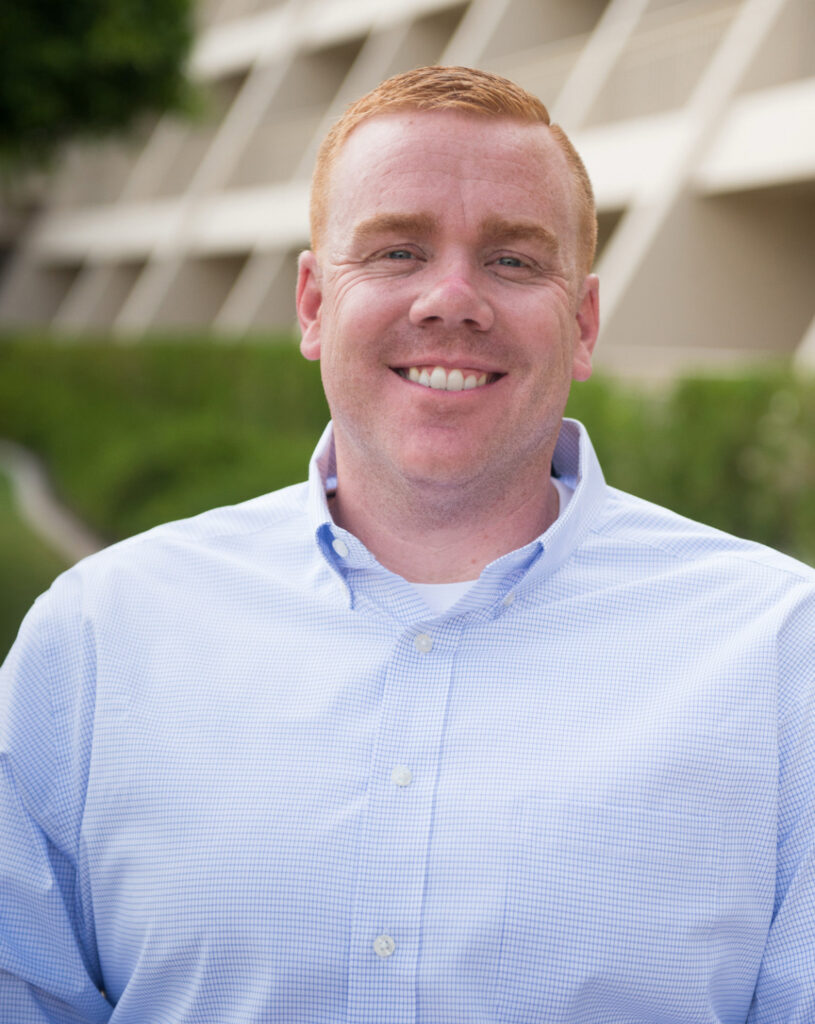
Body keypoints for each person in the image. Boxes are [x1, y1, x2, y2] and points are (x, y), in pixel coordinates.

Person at [1, 65, 813, 1024]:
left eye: (513, 260)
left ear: (583, 323)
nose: (450, 300)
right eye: (396, 252)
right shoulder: (99, 636)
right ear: (312, 304)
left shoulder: (781, 654)